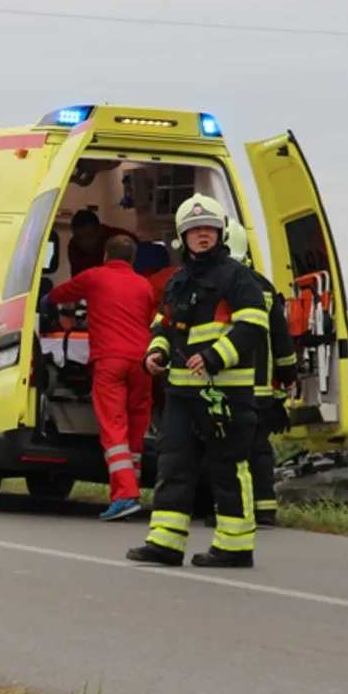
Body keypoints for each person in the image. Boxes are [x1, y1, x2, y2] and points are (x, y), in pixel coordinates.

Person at [126, 196, 269, 569]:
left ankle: (235, 547)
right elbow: (163, 325)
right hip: (181, 395)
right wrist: (154, 353)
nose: (202, 235)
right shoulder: (177, 281)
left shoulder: (240, 278)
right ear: (182, 237)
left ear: (220, 233)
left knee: (227, 468)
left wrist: (213, 356)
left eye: (208, 229)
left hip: (225, 394)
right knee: (173, 464)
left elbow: (253, 326)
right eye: (194, 230)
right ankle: (165, 543)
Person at [46, 234, 158, 521]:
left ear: (106, 256)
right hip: (143, 363)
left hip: (110, 361)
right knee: (136, 429)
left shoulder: (95, 277)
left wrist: (43, 299)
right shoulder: (144, 285)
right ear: (133, 259)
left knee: (114, 429)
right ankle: (129, 491)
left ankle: (125, 496)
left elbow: (60, 295)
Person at [222, 220, 300, 526]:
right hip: (261, 388)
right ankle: (265, 508)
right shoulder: (264, 287)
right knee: (259, 449)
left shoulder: (217, 283)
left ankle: (231, 509)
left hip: (227, 384)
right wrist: (289, 374)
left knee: (226, 450)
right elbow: (281, 340)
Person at [66, 209, 138, 277]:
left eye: (90, 237)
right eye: (78, 239)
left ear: (100, 230)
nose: (85, 244)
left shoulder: (121, 239)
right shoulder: (74, 245)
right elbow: (77, 279)